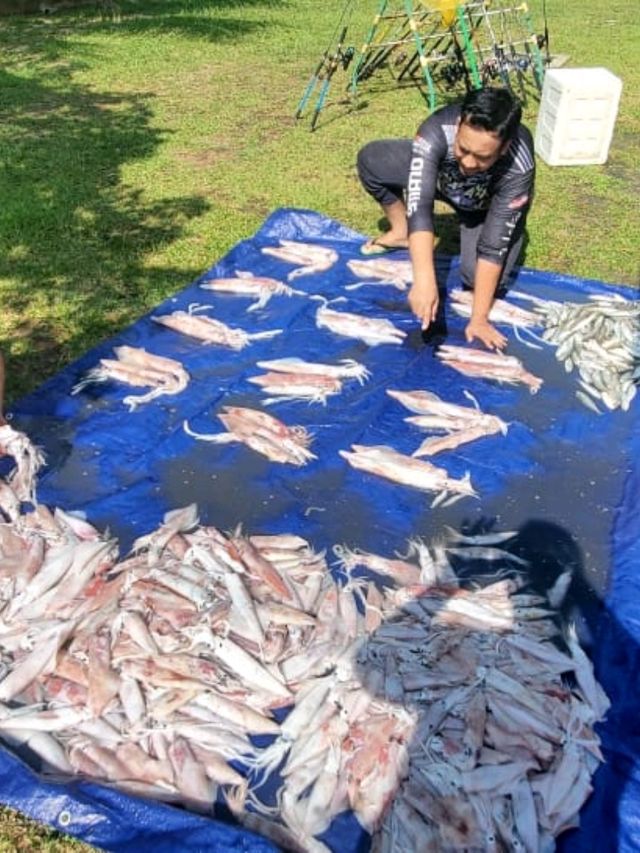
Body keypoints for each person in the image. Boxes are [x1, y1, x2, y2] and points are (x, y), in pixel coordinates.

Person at [357, 86, 535, 350]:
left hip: (484, 209)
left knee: (476, 280)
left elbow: (493, 247)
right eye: (463, 149)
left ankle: (474, 230)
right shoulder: (435, 130)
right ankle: (400, 232)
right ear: (459, 123)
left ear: (505, 146)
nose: (469, 163)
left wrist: (479, 319)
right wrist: (424, 279)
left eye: (482, 157)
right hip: (444, 184)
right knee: (372, 160)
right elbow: (420, 206)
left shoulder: (519, 166)